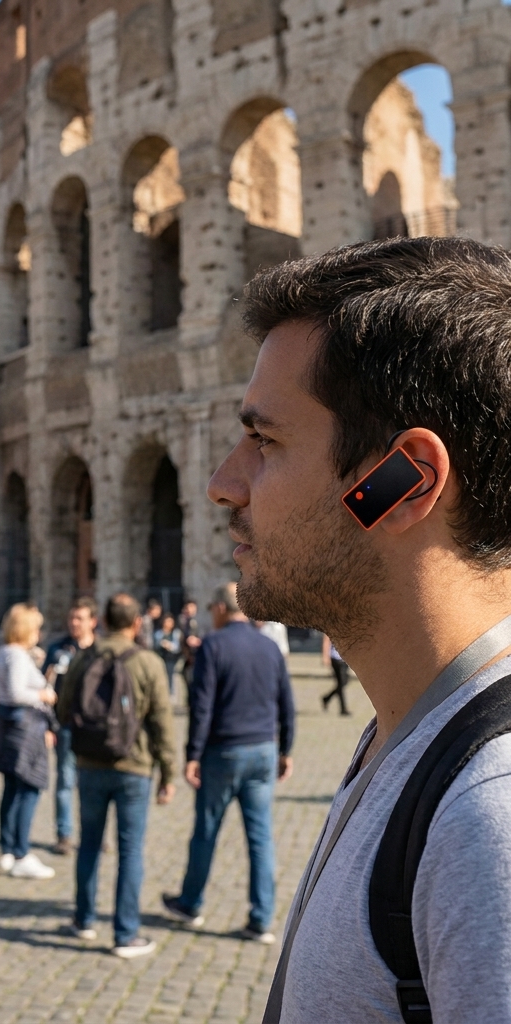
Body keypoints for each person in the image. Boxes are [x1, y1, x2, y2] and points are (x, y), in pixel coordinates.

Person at [207, 237, 511, 1022]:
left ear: (404, 483)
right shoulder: (406, 723)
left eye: (265, 442)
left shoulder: (494, 818)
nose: (223, 484)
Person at [162, 582, 295, 944]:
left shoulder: (212, 646)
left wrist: (192, 754)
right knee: (261, 836)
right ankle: (261, 917)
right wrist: (286, 749)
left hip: (223, 751)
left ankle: (191, 902)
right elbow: (286, 703)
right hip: (262, 751)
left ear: (221, 608)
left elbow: (200, 707)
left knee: (206, 830)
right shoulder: (269, 647)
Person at [57, 593, 177, 958]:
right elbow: (162, 723)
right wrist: (168, 772)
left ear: (103, 621)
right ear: (136, 623)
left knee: (89, 844)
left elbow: (63, 710)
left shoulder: (83, 657)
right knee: (130, 850)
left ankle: (84, 919)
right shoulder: (148, 662)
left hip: (90, 765)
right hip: (134, 768)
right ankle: (125, 933)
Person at [0, 603, 58, 879]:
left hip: (9, 725)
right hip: (25, 727)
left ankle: (7, 847)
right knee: (28, 788)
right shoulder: (16, 656)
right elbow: (17, 692)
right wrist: (44, 696)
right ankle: (21, 851)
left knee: (12, 788)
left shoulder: (5, 653)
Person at [41, 595, 99, 855]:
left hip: (94, 728)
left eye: (80, 618)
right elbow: (43, 686)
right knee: (65, 780)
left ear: (92, 622)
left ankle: (94, 833)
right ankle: (64, 834)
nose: (74, 623)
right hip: (63, 725)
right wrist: (46, 725)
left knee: (94, 784)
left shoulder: (101, 650)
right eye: (71, 618)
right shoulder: (57, 649)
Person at [321, 634, 351, 716]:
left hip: (344, 659)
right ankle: (343, 709)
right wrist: (325, 656)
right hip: (335, 658)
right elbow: (326, 640)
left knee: (344, 682)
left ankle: (327, 698)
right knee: (340, 683)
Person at [176, 598, 202, 696]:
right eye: (188, 607)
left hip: (195, 655)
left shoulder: (197, 621)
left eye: (192, 607)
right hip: (185, 655)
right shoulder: (182, 621)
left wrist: (197, 641)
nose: (190, 610)